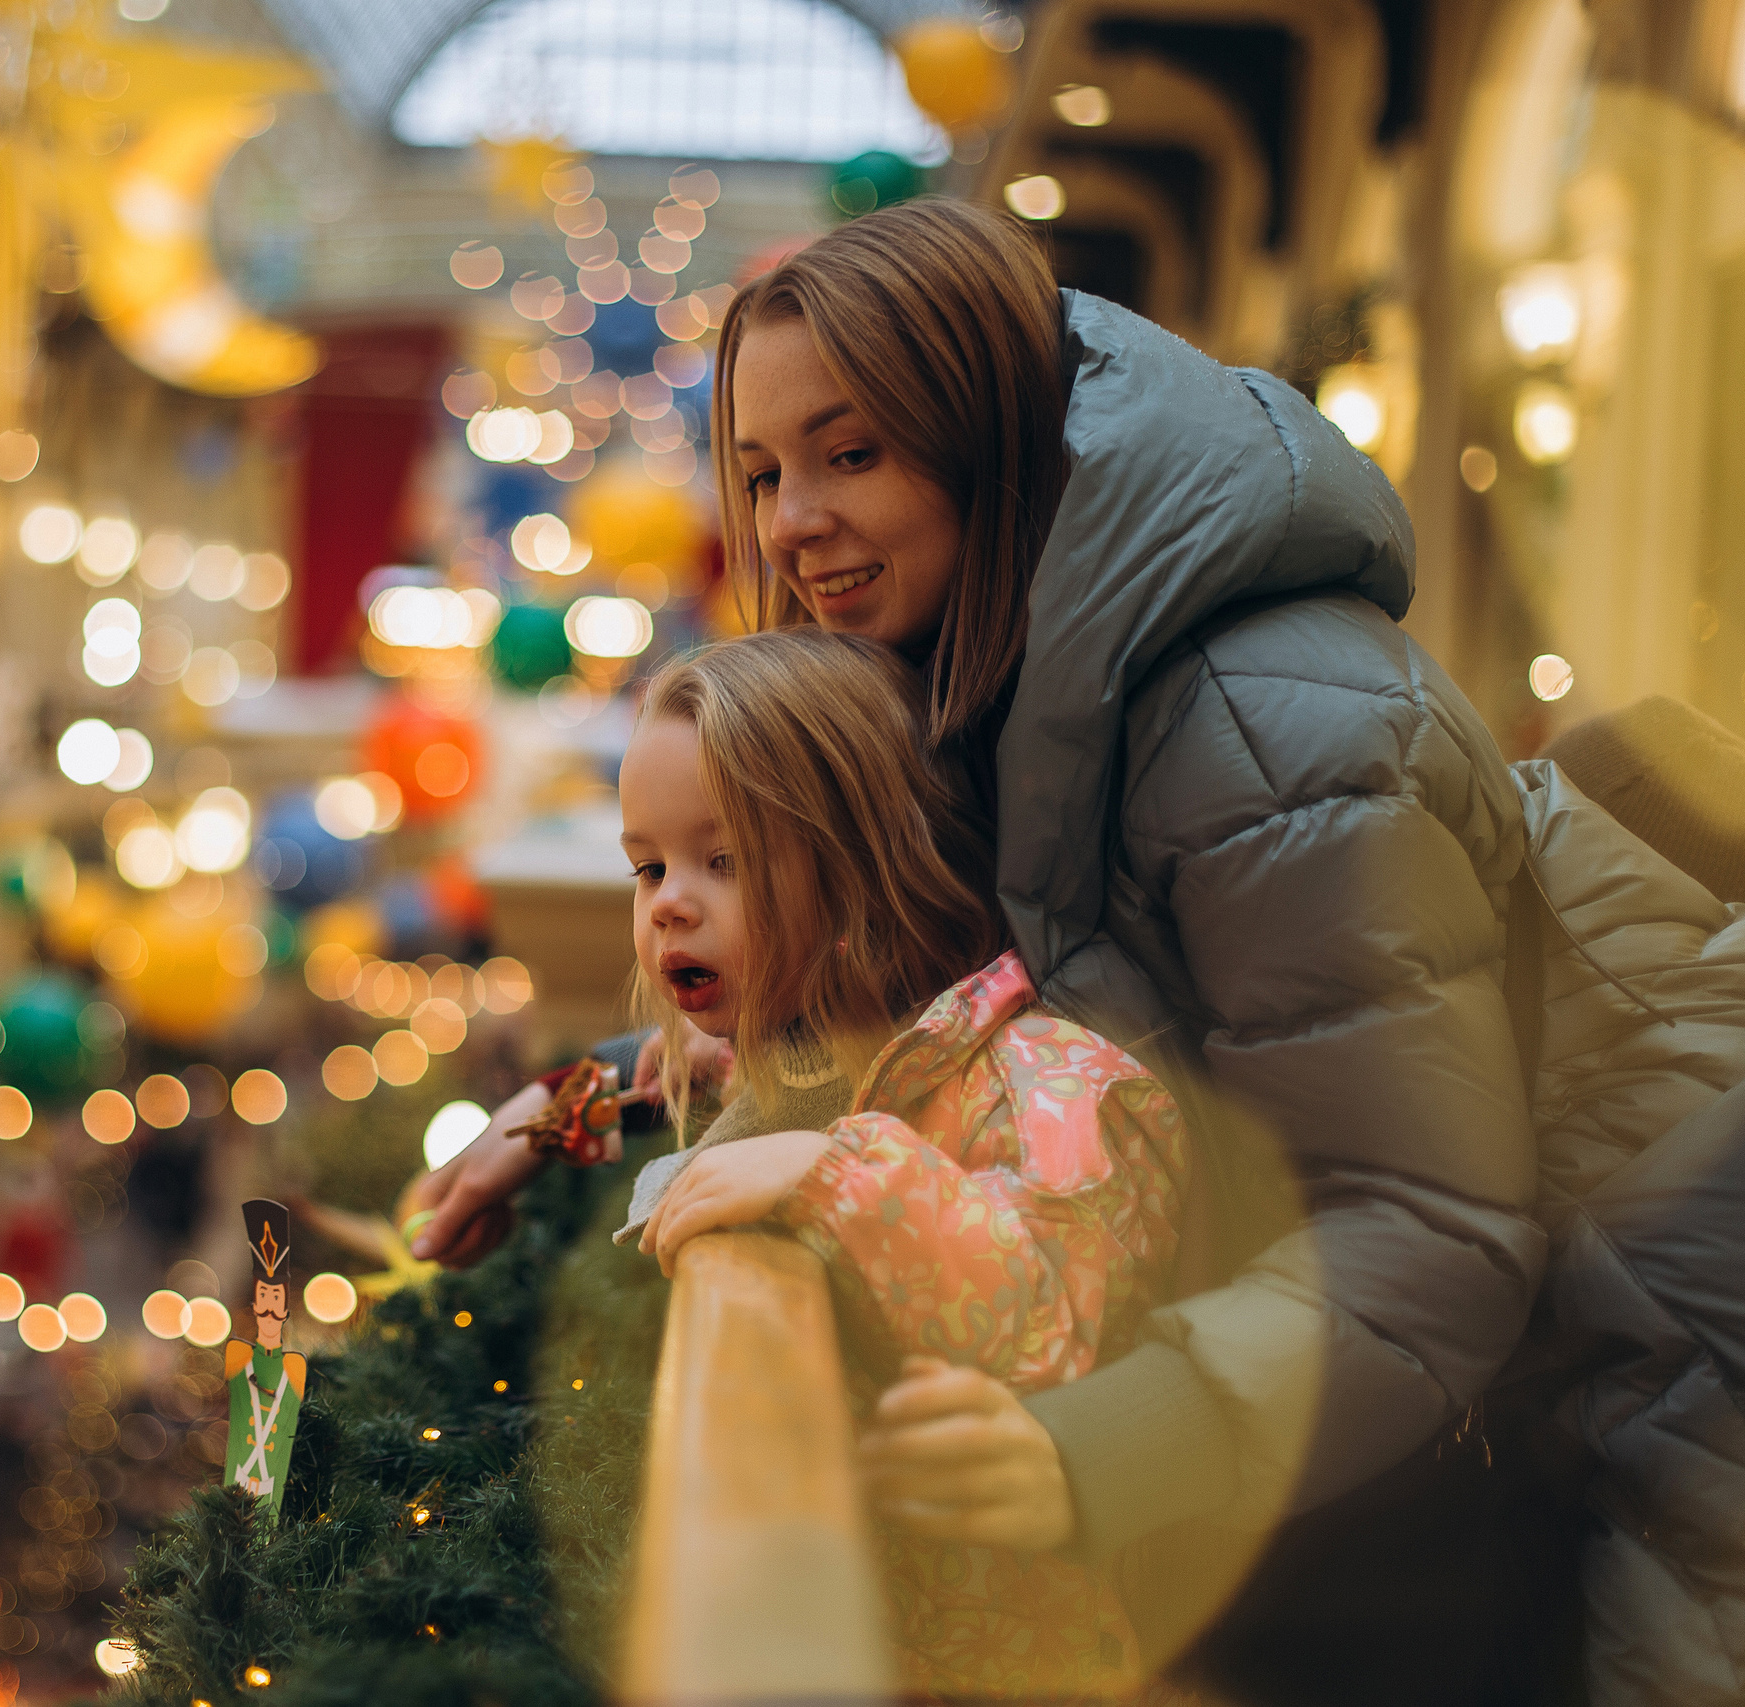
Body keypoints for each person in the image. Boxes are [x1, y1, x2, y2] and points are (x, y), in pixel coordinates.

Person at [414, 198, 1558, 1699]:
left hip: (1345, 1550)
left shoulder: (1272, 722)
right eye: (760, 471)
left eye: (852, 451)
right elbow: (892, 1012)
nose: (789, 525)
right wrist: (556, 1110)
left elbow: (1433, 1226)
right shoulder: (984, 674)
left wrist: (1101, 1441)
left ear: (988, 436)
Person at [614, 629, 1187, 1698]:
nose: (668, 904)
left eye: (723, 859)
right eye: (646, 865)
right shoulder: (788, 1060)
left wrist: (830, 1176)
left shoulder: (1050, 1083)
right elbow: (659, 1078)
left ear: (863, 860)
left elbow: (1046, 1313)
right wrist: (554, 1116)